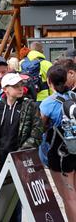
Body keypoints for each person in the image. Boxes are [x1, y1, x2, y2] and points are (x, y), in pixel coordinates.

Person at [0, 73, 41, 221]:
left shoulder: (30, 106)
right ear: (5, 89)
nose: (20, 88)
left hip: (20, 160)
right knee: (1, 196)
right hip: (0, 159)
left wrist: (20, 153)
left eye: (21, 85)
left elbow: (37, 133)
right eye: (15, 86)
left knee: (17, 197)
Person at [40, 64, 76, 220]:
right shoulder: (74, 97)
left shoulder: (48, 103)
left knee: (69, 198)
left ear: (49, 82)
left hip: (60, 154)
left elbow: (41, 127)